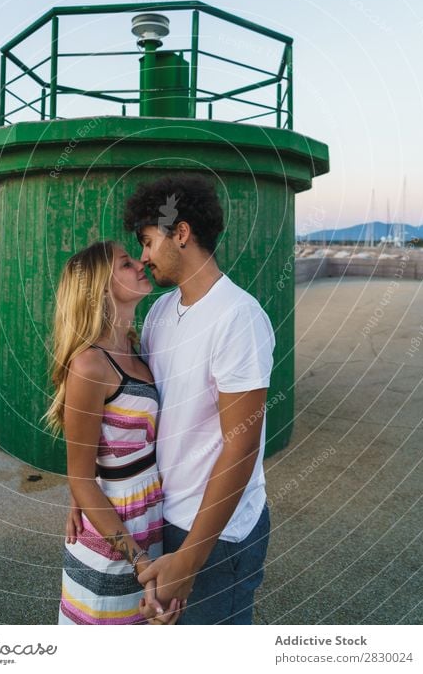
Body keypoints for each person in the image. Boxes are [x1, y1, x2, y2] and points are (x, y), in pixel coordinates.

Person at [69, 175, 275, 625]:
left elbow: (240, 448)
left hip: (216, 532)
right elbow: (129, 413)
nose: (142, 257)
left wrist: (190, 559)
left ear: (180, 233)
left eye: (146, 241)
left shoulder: (238, 318)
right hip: (161, 519)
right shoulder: (160, 313)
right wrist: (85, 484)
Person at [45, 240, 181, 625]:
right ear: (102, 288)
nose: (140, 264)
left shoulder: (136, 347)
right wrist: (138, 558)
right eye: (125, 263)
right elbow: (81, 476)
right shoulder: (90, 365)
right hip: (114, 539)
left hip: (149, 514)